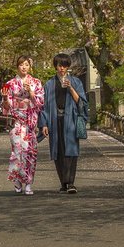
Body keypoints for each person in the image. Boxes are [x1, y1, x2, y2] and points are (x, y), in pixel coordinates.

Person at [38, 53, 88, 194]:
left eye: (65, 66)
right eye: (60, 65)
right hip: (54, 120)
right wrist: (44, 124)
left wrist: (71, 88)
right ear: (56, 66)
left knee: (71, 150)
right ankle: (63, 183)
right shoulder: (49, 84)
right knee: (58, 151)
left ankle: (71, 182)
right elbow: (44, 106)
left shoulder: (76, 81)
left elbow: (82, 103)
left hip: (70, 120)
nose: (62, 69)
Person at [1, 55, 44, 195]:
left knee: (30, 153)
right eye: (21, 64)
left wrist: (31, 93)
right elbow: (6, 107)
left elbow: (40, 103)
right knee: (17, 152)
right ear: (17, 67)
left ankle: (29, 183)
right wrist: (4, 98)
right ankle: (18, 180)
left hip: (30, 123)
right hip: (17, 123)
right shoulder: (10, 84)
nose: (24, 67)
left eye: (26, 64)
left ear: (30, 67)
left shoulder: (36, 82)